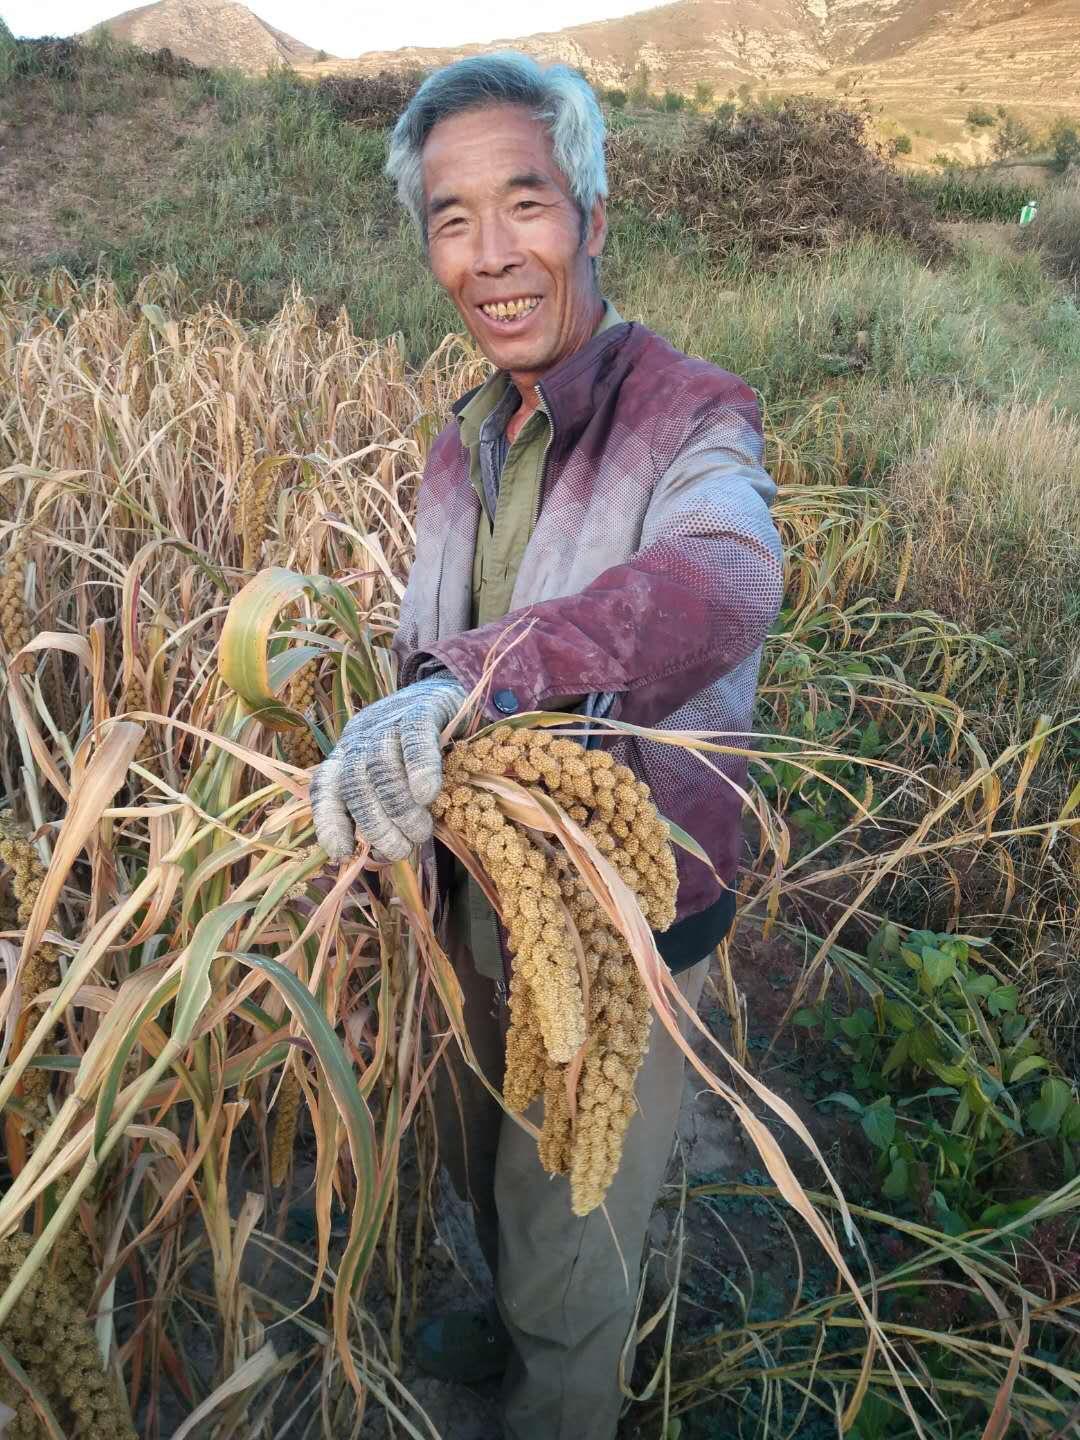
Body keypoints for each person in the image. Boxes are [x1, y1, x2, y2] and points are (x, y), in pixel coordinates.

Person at [310, 53, 784, 1440]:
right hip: (476, 899)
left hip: (623, 921)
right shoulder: (461, 443)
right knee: (483, 1155)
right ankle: (517, 1317)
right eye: (452, 218)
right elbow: (417, 646)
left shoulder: (694, 412)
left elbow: (729, 574)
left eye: (525, 202)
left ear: (589, 209)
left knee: (576, 1214)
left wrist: (477, 681)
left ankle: (564, 1392)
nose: (490, 252)